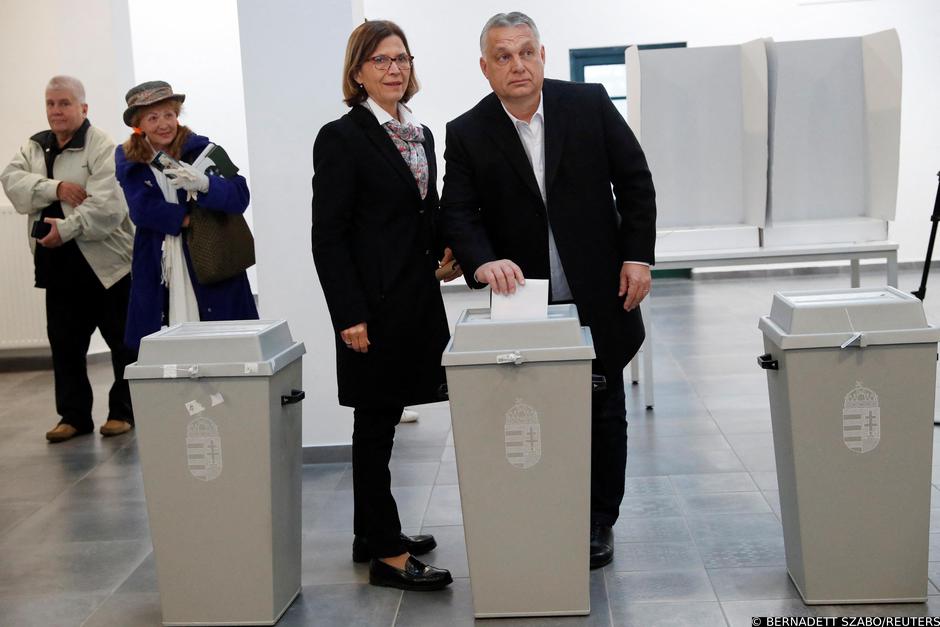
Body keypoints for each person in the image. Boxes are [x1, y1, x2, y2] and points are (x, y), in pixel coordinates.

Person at [439, 12, 657, 569]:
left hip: (600, 289)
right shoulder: (467, 132)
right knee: (530, 409)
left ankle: (597, 520)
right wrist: (483, 260)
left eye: (527, 52)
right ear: (485, 68)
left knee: (604, 408)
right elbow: (458, 212)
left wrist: (637, 255)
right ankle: (538, 506)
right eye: (504, 56)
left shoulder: (588, 105)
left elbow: (635, 180)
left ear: (543, 55)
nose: (518, 65)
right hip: (523, 300)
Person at [312, 20, 459, 591]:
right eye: (380, 61)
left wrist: (448, 252)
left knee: (387, 414)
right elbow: (329, 236)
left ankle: (368, 530)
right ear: (358, 73)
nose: (394, 69)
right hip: (369, 307)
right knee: (374, 423)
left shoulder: (417, 134)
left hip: (413, 298)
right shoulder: (342, 137)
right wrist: (349, 314)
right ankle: (387, 555)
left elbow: (425, 212)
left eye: (401, 58)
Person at [1, 75, 137, 443]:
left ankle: (123, 412)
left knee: (124, 345)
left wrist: (67, 228)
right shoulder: (34, 146)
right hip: (57, 266)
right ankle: (74, 416)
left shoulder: (103, 146)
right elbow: (12, 184)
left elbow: (108, 206)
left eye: (64, 103)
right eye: (50, 103)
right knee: (65, 345)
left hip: (106, 265)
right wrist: (55, 187)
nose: (56, 111)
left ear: (83, 108)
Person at [114, 81, 258, 350]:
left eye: (168, 114)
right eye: (153, 117)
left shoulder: (202, 149)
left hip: (210, 256)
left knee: (223, 344)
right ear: (138, 123)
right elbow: (141, 209)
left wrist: (206, 185)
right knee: (167, 347)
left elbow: (240, 196)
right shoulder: (128, 158)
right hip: (159, 263)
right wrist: (187, 219)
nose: (163, 124)